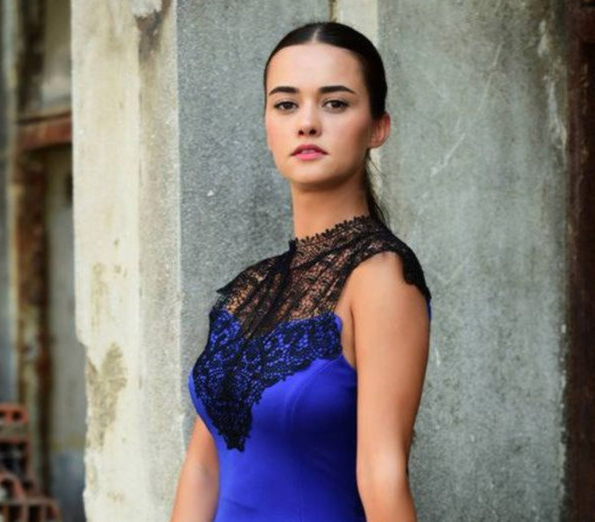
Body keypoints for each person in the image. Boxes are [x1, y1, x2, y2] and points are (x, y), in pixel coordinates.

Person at [170, 20, 432, 522]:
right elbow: (202, 469)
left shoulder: (380, 276)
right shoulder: (250, 289)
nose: (307, 123)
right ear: (267, 126)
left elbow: (382, 475)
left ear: (378, 127)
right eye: (286, 104)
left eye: (335, 103)